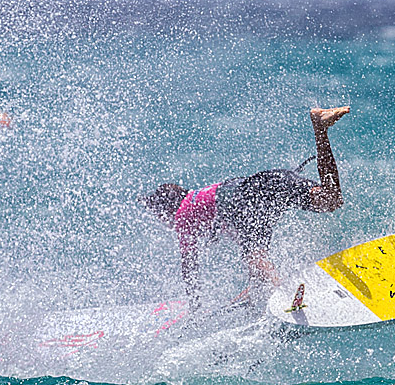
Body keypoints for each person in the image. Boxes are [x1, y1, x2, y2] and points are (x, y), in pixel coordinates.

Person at [139, 106, 350, 311]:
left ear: (165, 210)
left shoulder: (184, 215)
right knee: (331, 199)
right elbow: (248, 239)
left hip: (253, 197)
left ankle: (288, 294)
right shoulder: (202, 199)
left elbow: (189, 267)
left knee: (256, 261)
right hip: (267, 182)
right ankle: (321, 128)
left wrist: (195, 308)